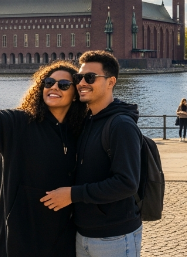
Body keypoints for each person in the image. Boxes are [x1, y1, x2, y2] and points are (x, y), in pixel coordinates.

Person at [0, 61, 88, 256]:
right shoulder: (19, 123)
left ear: (74, 95)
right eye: (48, 82)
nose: (54, 87)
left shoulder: (80, 131)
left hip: (63, 236)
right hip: (20, 235)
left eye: (63, 85)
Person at [40, 50, 144, 257]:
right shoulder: (88, 121)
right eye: (79, 78)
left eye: (90, 78)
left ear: (111, 82)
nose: (81, 83)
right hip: (84, 233)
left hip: (114, 236)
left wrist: (72, 194)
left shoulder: (121, 125)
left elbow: (126, 183)